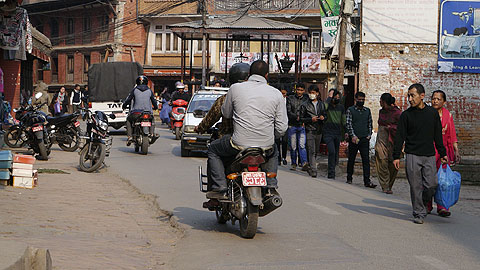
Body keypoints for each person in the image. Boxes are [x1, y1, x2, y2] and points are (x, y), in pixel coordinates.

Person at [206, 60, 288, 200]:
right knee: (274, 151)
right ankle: (271, 186)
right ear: (267, 75)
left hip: (238, 144)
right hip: (265, 145)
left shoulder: (236, 88)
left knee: (213, 149)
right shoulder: (276, 94)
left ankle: (220, 187)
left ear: (249, 74)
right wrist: (268, 136)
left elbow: (226, 113)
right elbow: (281, 128)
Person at [393, 83, 447, 224]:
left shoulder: (432, 113)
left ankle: (422, 200)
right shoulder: (406, 116)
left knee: (432, 184)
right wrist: (396, 156)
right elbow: (399, 136)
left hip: (429, 155)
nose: (410, 99)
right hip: (412, 155)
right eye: (408, 96)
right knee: (415, 185)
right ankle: (418, 213)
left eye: (413, 95)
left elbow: (437, 135)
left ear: (422, 96)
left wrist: (442, 153)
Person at [427, 90, 460, 217]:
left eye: (438, 99)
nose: (435, 101)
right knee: (429, 178)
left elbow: (452, 135)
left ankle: (442, 206)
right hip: (429, 150)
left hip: (442, 152)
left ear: (444, 102)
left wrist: (456, 150)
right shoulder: (427, 113)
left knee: (442, 180)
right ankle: (427, 204)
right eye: (433, 98)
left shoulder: (448, 116)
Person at [195, 62, 250, 138]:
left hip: (230, 140)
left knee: (213, 147)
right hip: (259, 141)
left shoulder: (225, 99)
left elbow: (211, 118)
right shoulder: (259, 98)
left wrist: (200, 128)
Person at [346, 92, 377, 188]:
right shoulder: (350, 110)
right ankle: (349, 177)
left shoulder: (367, 111)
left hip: (364, 138)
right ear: (355, 99)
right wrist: (353, 136)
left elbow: (370, 123)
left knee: (366, 160)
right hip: (354, 138)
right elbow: (349, 124)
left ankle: (367, 180)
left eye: (363, 100)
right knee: (351, 159)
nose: (361, 101)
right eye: (359, 99)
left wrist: (369, 134)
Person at [375, 93, 402, 194]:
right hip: (382, 138)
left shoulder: (397, 113)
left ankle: (389, 184)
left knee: (393, 162)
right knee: (381, 159)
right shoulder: (381, 111)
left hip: (393, 140)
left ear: (385, 102)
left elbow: (402, 127)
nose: (380, 102)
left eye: (381, 101)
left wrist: (391, 128)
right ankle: (384, 185)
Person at [122, 75, 159, 146]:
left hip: (136, 113)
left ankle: (129, 137)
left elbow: (128, 99)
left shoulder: (134, 90)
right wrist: (156, 107)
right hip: (148, 113)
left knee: (128, 120)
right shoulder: (149, 91)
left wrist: (124, 105)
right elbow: (154, 101)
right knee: (152, 120)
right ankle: (151, 133)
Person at [299, 85, 326, 177]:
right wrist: (311, 120)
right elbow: (301, 118)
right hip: (309, 129)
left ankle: (310, 165)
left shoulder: (321, 104)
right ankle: (313, 169)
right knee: (311, 150)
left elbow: (325, 115)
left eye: (313, 93)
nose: (311, 95)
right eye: (310, 93)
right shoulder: (305, 105)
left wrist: (323, 118)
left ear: (317, 94)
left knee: (316, 150)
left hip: (319, 130)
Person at [322, 90, 346, 179]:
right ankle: (331, 172)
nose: (336, 99)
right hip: (328, 132)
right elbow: (324, 106)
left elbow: (343, 120)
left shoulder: (341, 108)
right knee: (331, 151)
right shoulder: (328, 106)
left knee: (336, 153)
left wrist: (346, 131)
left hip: (338, 132)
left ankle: (334, 168)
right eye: (335, 97)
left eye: (338, 97)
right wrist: (329, 98)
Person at [286, 83, 308, 171]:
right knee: (293, 146)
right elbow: (288, 111)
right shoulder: (290, 99)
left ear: (304, 91)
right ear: (295, 90)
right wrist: (296, 117)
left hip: (302, 125)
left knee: (302, 145)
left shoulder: (306, 99)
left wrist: (303, 119)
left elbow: (308, 111)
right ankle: (294, 163)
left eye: (301, 90)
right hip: (292, 125)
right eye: (298, 90)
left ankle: (304, 163)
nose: (299, 92)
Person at [275, 87, 289, 166]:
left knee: (285, 141)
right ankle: (278, 158)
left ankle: (284, 157)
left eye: (284, 94)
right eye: (281, 93)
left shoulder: (288, 101)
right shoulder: (276, 101)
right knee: (277, 142)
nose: (283, 95)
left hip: (286, 123)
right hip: (277, 123)